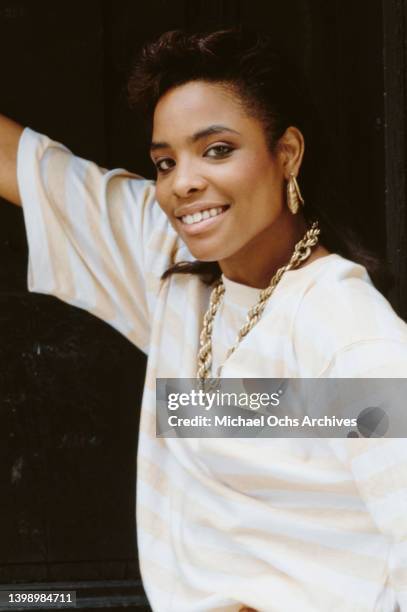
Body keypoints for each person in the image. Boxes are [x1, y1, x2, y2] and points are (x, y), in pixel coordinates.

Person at [1, 27, 407, 612]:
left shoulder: (342, 327)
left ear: (286, 153)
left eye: (217, 149)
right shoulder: (171, 262)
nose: (183, 182)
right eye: (165, 161)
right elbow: (23, 164)